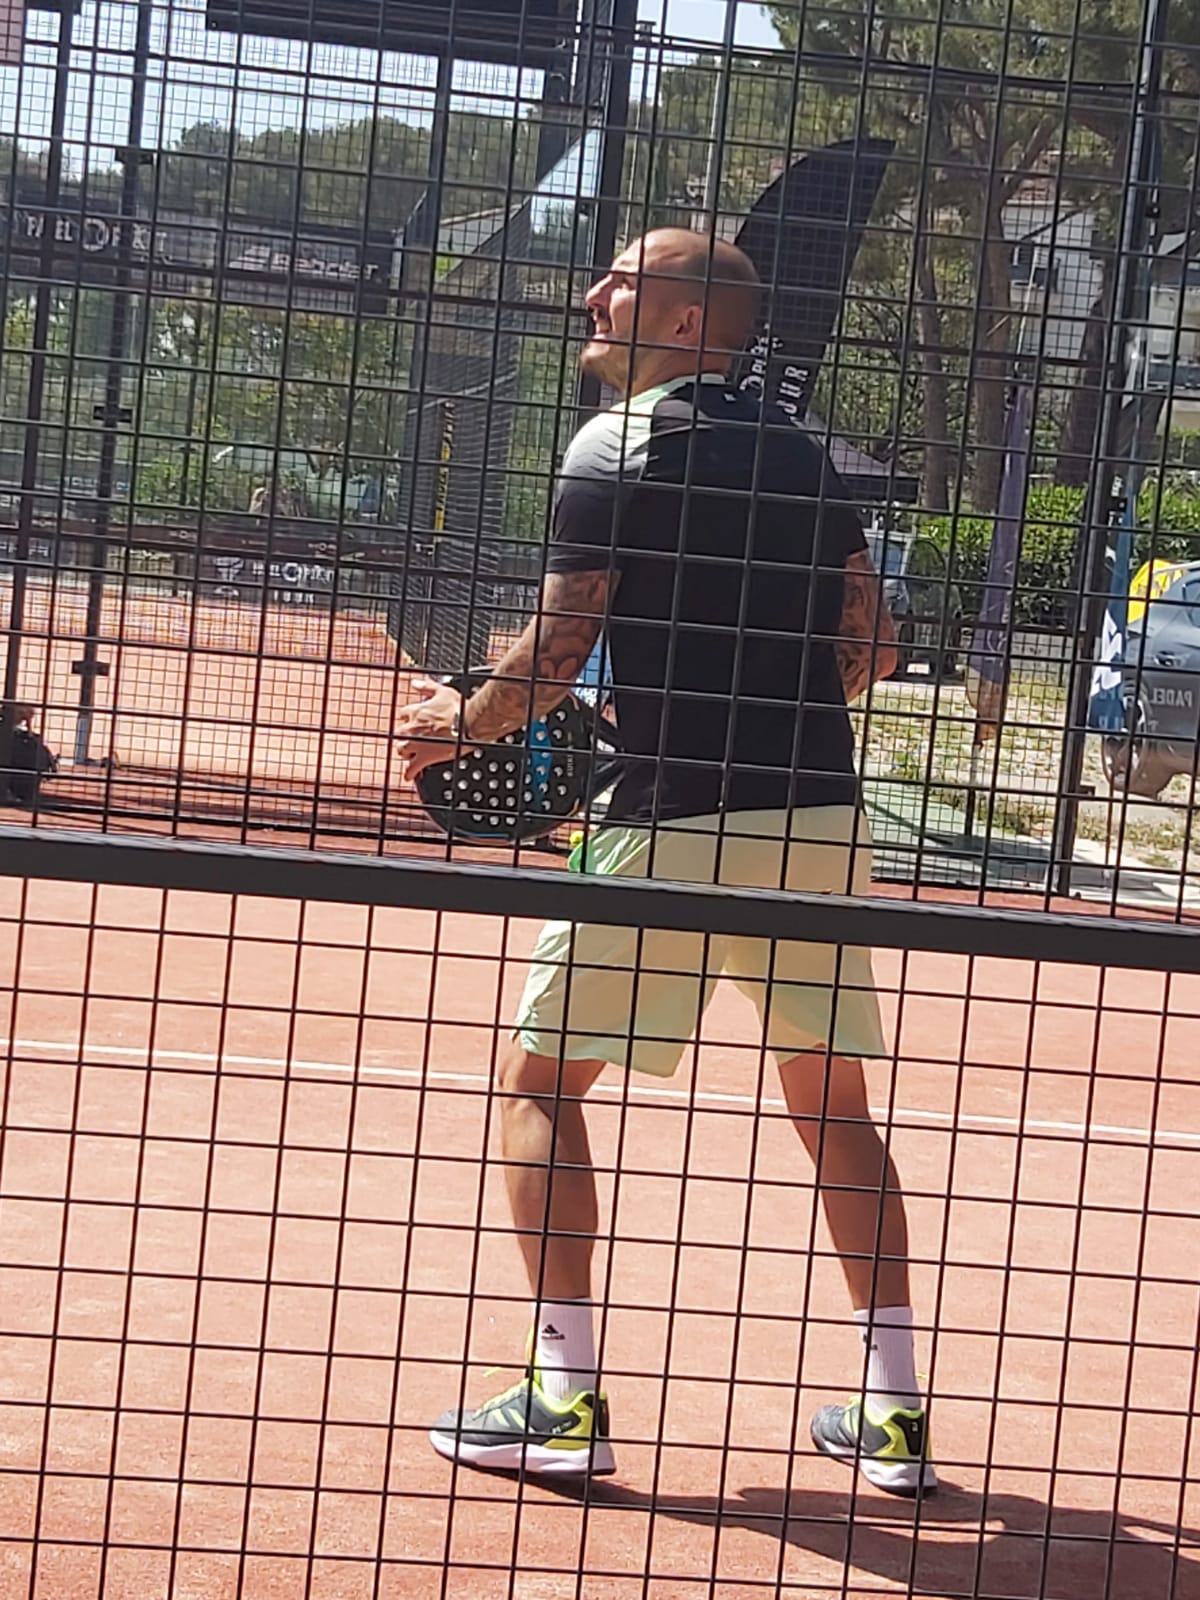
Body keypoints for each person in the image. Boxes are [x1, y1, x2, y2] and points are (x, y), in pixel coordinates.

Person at [395, 228, 936, 1498]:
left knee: (538, 1083)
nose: (595, 293)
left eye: (624, 277)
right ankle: (895, 1411)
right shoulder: (804, 455)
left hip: (667, 819)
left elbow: (557, 648)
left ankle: (561, 1399)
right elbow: (872, 645)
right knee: (836, 1111)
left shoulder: (615, 446)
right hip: (817, 817)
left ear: (686, 322)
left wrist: (460, 720)